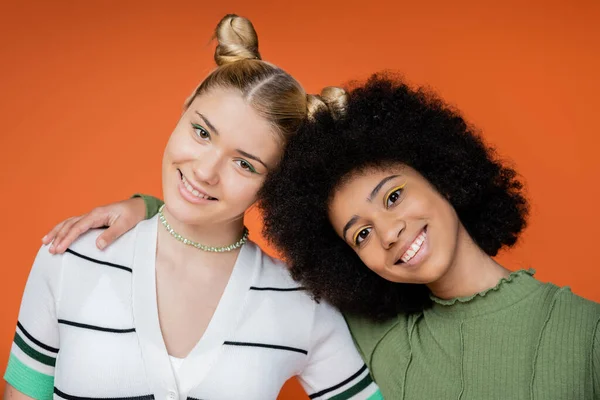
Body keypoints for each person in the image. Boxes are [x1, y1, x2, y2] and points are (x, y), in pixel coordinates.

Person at [46, 74, 600, 399]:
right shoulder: (366, 330)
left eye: (393, 196)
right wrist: (146, 210)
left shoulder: (586, 333)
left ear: (443, 171)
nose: (387, 233)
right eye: (358, 234)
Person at [4, 15, 382, 400]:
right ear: (184, 109)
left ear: (276, 184)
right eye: (201, 132)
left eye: (244, 164)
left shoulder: (302, 304)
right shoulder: (71, 256)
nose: (205, 172)